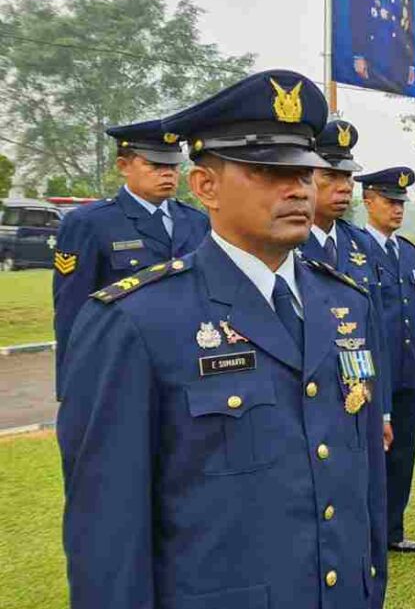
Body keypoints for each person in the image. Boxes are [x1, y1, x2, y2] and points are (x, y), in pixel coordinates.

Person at [56, 69, 388, 608]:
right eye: (266, 169)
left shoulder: (346, 302)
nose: (297, 187)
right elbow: (108, 529)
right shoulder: (138, 320)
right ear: (205, 186)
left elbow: (364, 475)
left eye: (305, 170)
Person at [52, 119, 210, 399]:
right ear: (124, 166)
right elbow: (72, 310)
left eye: (172, 166)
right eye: (155, 165)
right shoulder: (90, 223)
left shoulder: (197, 221)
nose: (168, 174)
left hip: (190, 362)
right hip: (123, 363)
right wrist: (74, 385)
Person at [358, 166, 415, 553]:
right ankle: (369, 533)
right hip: (373, 371)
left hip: (407, 367)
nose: (397, 209)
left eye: (401, 202)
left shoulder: (408, 252)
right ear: (368, 201)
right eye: (389, 201)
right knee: (373, 453)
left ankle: (393, 529)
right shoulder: (356, 248)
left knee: (404, 452)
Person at [299, 120, 380, 293]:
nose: (344, 187)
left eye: (347, 176)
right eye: (330, 175)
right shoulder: (283, 243)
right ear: (304, 176)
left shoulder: (362, 242)